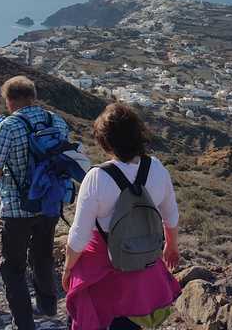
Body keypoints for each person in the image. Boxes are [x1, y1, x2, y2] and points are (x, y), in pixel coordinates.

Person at [62, 103, 181, 330]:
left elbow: (79, 235)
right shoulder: (156, 168)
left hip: (101, 271)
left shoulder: (97, 177)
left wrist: (68, 269)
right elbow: (170, 216)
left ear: (105, 142)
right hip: (141, 266)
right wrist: (172, 246)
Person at [0, 76, 67, 330]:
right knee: (42, 256)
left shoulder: (8, 126)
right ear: (34, 97)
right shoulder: (58, 122)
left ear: (9, 100)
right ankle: (48, 307)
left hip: (16, 209)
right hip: (50, 204)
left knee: (12, 268)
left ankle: (23, 323)